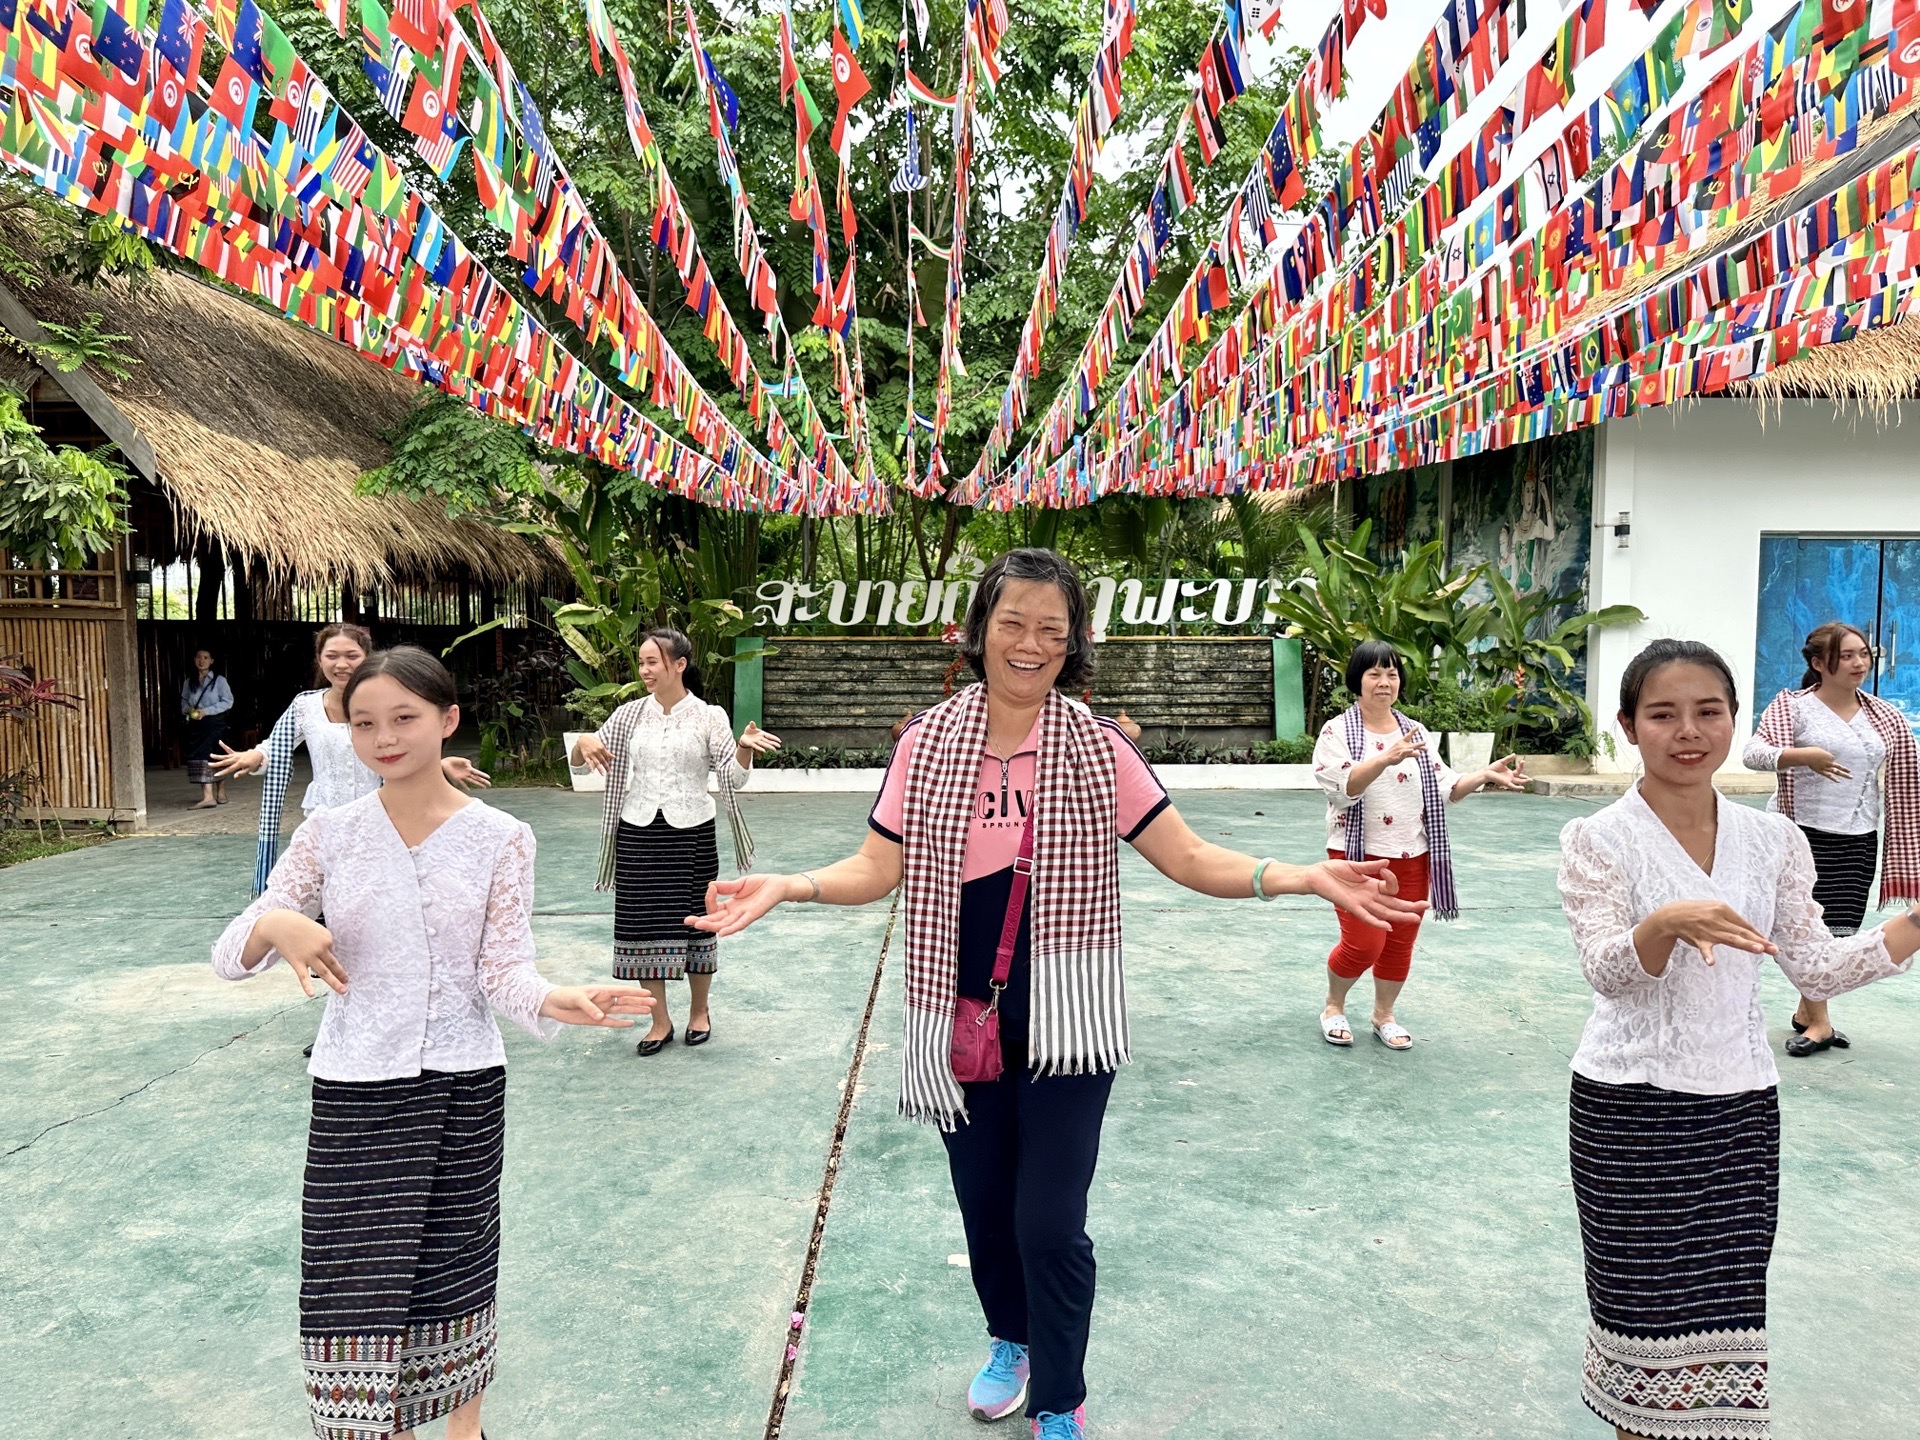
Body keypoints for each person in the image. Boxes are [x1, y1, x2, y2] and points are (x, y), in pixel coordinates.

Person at [686, 548, 1424, 1440]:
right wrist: (791, 885)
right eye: (1013, 623)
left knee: (1049, 1221)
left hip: (1068, 1006)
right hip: (960, 1004)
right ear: (981, 630)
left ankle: (1061, 1398)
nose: (1030, 643)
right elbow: (878, 866)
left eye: (1051, 628)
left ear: (1072, 644)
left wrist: (1301, 876)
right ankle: (1010, 1339)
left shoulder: (1100, 749)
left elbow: (1189, 858)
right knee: (985, 1206)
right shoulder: (925, 743)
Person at [210, 645, 653, 1440]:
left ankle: (464, 1429)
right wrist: (276, 924)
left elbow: (503, 970)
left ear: (447, 721)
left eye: (405, 718)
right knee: (349, 1277)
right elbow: (231, 952)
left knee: (454, 1267)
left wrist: (559, 997)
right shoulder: (330, 836)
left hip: (461, 1084)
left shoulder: (501, 838)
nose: (384, 737)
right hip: (353, 1086)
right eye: (365, 722)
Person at [1557, 639, 1920, 1440]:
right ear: (1628, 726)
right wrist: (1663, 923)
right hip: (1629, 1113)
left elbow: (1816, 967)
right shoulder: (1598, 837)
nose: (1688, 731)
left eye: (1708, 712)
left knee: (1721, 1343)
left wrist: (1913, 926)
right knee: (1644, 1341)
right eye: (1663, 714)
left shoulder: (1775, 840)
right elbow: (1607, 972)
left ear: (1731, 720)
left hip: (1739, 1115)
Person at [569, 627, 780, 1054]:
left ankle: (699, 1011)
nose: (645, 670)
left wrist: (743, 748)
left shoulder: (709, 716)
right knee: (643, 927)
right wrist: (583, 742)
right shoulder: (629, 715)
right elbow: (581, 761)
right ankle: (659, 1021)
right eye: (642, 662)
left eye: (653, 662)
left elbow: (733, 778)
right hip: (637, 834)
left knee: (697, 924)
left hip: (692, 835)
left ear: (679, 665)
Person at [1311, 641, 1528, 1049]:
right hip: (1356, 857)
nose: (1384, 682)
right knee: (1364, 942)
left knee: (1399, 941)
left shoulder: (1415, 731)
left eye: (1392, 674)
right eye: (1374, 674)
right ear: (1356, 679)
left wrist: (1484, 774)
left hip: (1412, 855)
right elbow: (1343, 787)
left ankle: (1384, 1015)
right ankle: (1333, 1006)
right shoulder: (1335, 731)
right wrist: (1384, 759)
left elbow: (1446, 786)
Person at [1743, 621, 1920, 1057]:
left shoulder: (1884, 714)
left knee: (1839, 933)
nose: (1860, 663)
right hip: (1801, 832)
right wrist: (1802, 756)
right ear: (1820, 664)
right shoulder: (1794, 709)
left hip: (1859, 836)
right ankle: (1820, 1023)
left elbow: (1904, 773)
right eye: (1848, 656)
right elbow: (1754, 753)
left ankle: (1808, 1014)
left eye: (1864, 654)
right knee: (1808, 932)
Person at [211, 623, 488, 895]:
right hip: (325, 816)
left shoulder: (383, 703)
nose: (341, 664)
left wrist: (436, 764)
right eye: (332, 656)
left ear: (367, 658)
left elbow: (398, 746)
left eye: (351, 656)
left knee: (383, 890)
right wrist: (256, 755)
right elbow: (277, 746)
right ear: (319, 660)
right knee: (326, 892)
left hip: (383, 814)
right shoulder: (305, 706)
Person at [181, 648, 234, 809]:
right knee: (200, 757)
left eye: (205, 657)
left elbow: (228, 701)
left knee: (216, 757)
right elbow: (184, 702)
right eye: (198, 657)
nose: (201, 660)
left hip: (216, 723)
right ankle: (207, 797)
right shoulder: (189, 682)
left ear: (211, 661)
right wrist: (190, 711)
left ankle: (221, 792)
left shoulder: (219, 681)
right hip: (198, 725)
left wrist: (206, 711)